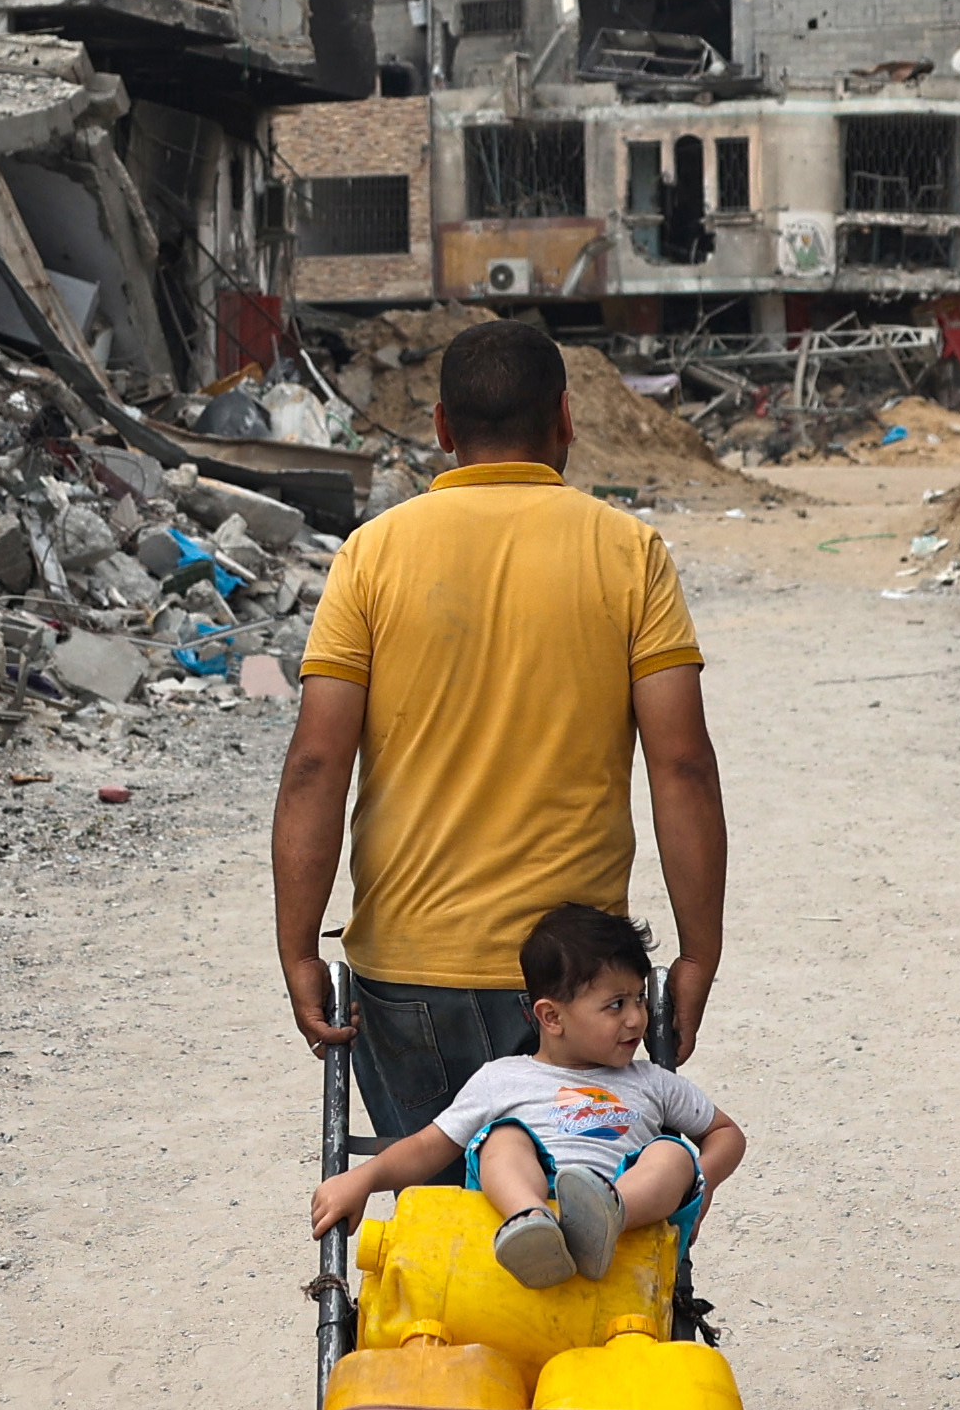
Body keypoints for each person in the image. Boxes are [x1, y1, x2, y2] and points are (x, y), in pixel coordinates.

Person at [269, 316, 730, 1146]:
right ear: (564, 419)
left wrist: (299, 947)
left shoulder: (370, 556)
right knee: (586, 1215)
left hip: (406, 970)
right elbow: (683, 765)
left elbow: (314, 765)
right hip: (575, 975)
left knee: (442, 1220)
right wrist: (696, 955)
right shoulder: (628, 552)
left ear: (442, 427)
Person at [307, 904, 743, 1284]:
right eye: (616, 1005)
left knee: (672, 1155)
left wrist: (699, 1184)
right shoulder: (504, 1079)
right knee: (504, 1138)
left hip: (625, 1208)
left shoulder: (650, 1081)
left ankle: (605, 1219)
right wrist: (361, 1179)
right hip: (524, 1202)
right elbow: (427, 1146)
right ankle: (531, 1221)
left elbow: (726, 1133)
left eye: (640, 1000)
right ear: (551, 1017)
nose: (636, 1020)